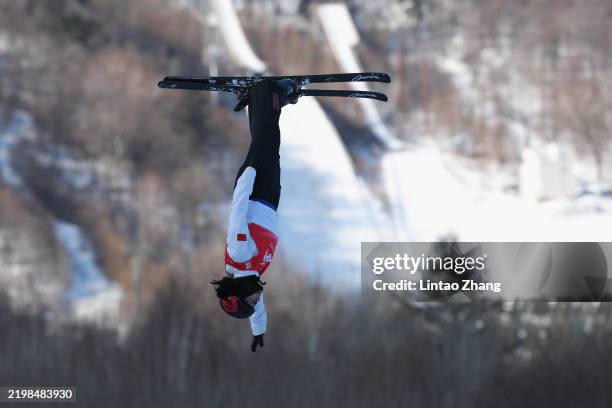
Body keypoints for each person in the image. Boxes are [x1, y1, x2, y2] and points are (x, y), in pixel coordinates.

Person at [211, 79, 286, 352]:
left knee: (268, 138)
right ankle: (258, 100)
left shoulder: (240, 254)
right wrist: (259, 330)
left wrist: (249, 173)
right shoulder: (251, 274)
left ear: (240, 292)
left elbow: (237, 210)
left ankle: (267, 92)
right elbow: (258, 308)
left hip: (255, 189)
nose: (257, 299)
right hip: (270, 200)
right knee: (269, 141)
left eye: (251, 300)